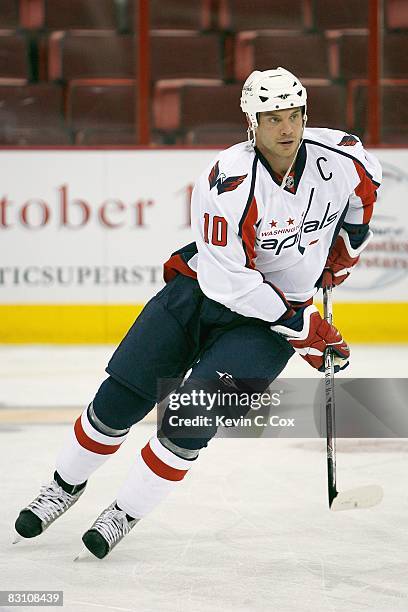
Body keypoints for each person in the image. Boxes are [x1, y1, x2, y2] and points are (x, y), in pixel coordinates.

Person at [14, 67, 382, 559]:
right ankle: (63, 486)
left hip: (264, 331)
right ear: (251, 121)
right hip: (200, 297)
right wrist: (302, 327)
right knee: (118, 401)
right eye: (273, 118)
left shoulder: (342, 158)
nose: (287, 128)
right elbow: (226, 280)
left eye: (294, 116)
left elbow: (364, 197)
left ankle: (123, 511)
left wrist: (346, 251)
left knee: (189, 422)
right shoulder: (228, 179)